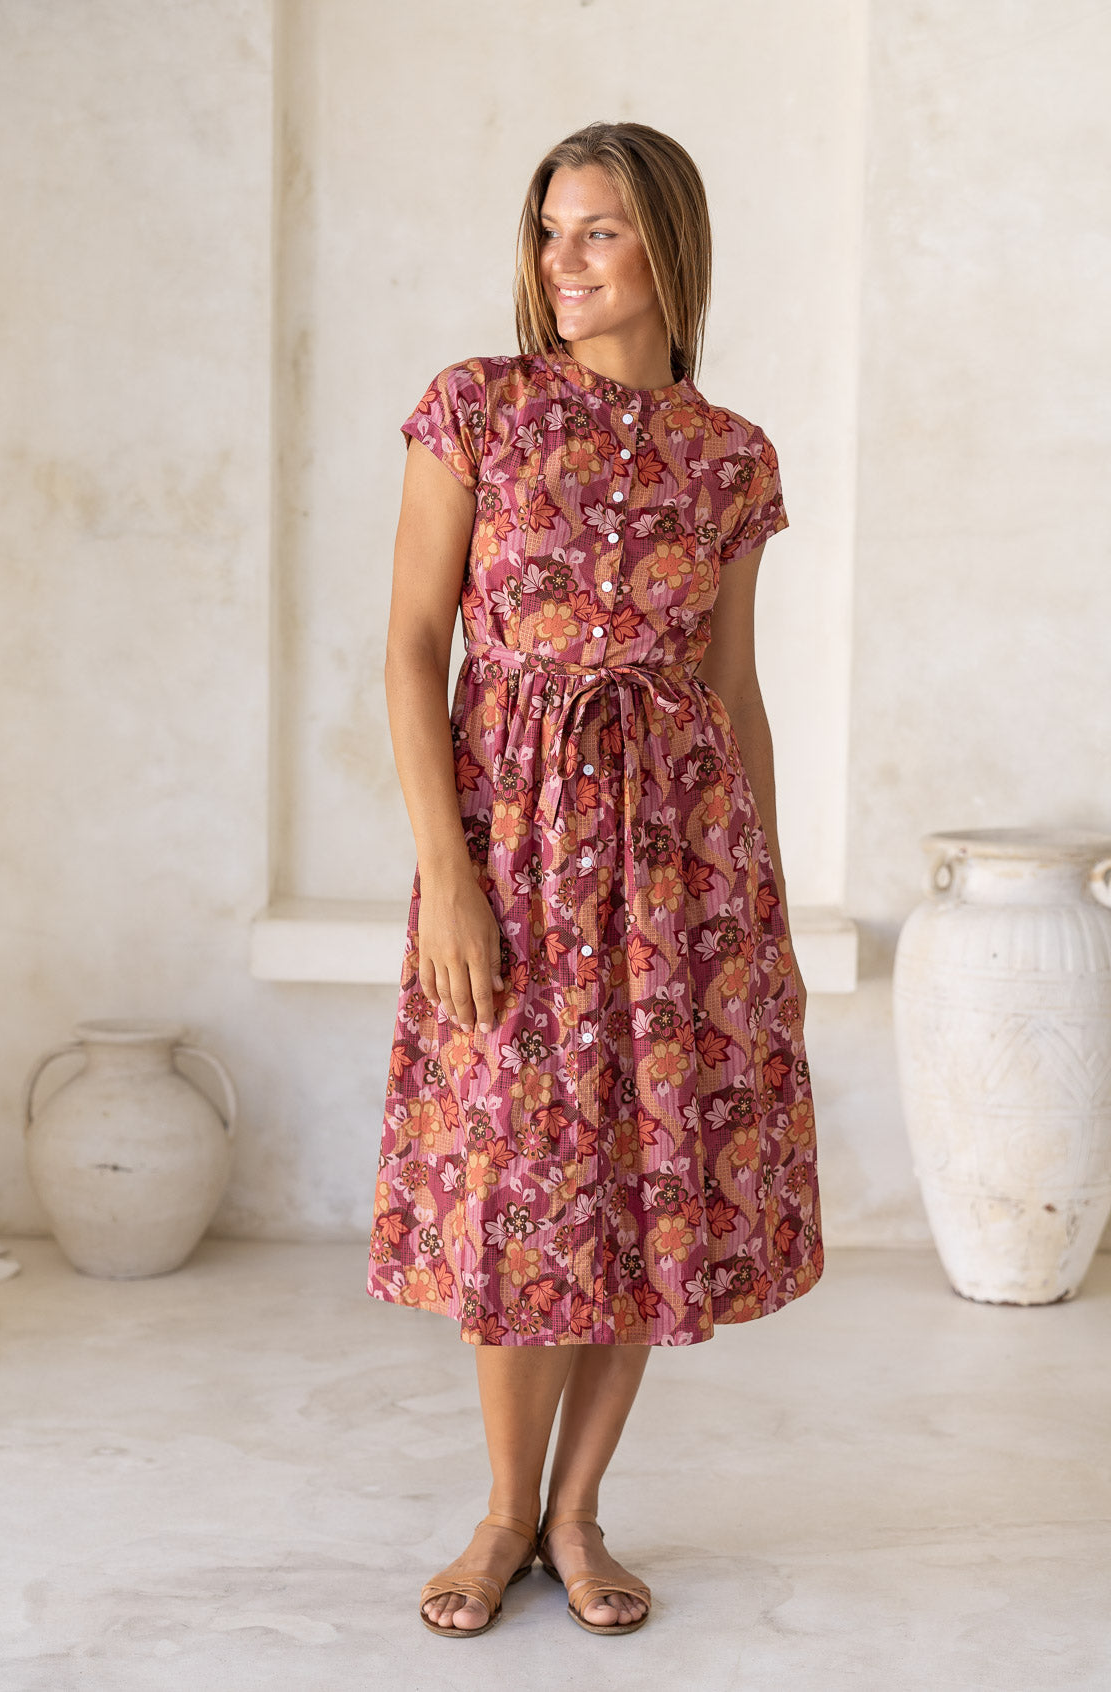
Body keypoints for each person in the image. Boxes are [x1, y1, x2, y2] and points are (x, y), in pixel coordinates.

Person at [367, 120, 824, 1638]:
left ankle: (578, 1514)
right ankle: (502, 1515)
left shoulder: (731, 458)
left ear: (668, 251)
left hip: (684, 868)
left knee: (640, 1183)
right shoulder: (476, 412)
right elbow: (414, 648)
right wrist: (448, 870)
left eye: (599, 231)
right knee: (520, 1193)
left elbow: (733, 692)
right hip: (514, 845)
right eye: (551, 229)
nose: (563, 259)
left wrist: (762, 910)